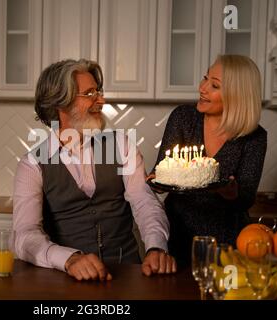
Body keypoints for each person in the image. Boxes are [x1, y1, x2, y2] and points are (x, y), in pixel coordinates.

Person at [13, 59, 176, 281]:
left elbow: (144, 202)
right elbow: (24, 234)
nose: (101, 100)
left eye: (98, 91)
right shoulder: (32, 164)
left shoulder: (122, 145)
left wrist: (156, 247)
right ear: (61, 103)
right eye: (89, 94)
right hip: (65, 279)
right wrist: (69, 259)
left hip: (127, 275)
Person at [148, 54, 267, 267]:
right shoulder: (183, 117)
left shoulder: (255, 137)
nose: (202, 88)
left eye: (214, 85)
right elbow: (163, 170)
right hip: (178, 232)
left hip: (226, 241)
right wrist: (154, 182)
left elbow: (246, 198)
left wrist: (231, 192)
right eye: (205, 78)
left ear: (236, 95)